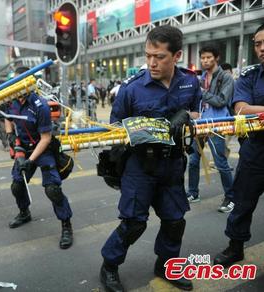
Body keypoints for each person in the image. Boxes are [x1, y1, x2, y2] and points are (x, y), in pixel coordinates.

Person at [102, 25, 201, 292]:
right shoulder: (132, 89)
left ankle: (166, 264)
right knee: (134, 223)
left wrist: (187, 117)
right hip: (140, 165)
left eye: (159, 57)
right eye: (148, 56)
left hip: (172, 164)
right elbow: (115, 129)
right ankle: (109, 266)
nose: (152, 63)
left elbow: (198, 115)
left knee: (174, 220)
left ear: (177, 55)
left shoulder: (190, 82)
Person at [5, 66, 74, 249]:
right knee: (17, 185)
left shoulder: (40, 105)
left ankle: (66, 224)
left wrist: (29, 161)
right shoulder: (11, 100)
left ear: (29, 83)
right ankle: (24, 212)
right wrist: (11, 137)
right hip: (23, 147)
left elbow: (45, 138)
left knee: (53, 189)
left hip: (43, 149)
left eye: (21, 82)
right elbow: (7, 118)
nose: (16, 86)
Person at [213, 24, 264, 267]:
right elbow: (241, 109)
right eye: (257, 43)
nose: (261, 48)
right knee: (242, 202)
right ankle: (235, 248)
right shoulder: (250, 76)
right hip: (255, 152)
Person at [186, 44, 235, 213]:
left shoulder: (225, 78)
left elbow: (221, 101)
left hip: (217, 123)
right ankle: (193, 193)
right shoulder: (201, 78)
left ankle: (231, 197)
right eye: (203, 58)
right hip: (200, 123)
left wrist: (201, 92)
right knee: (193, 160)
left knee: (220, 162)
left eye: (208, 57)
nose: (205, 60)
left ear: (216, 58)